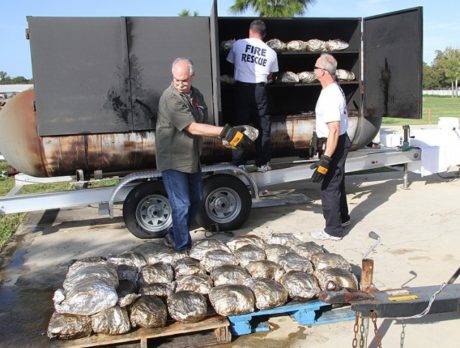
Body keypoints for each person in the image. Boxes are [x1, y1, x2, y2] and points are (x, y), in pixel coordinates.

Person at [156, 57, 256, 251]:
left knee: (196, 200)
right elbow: (192, 127)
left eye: (184, 80)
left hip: (191, 158)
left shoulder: (197, 96)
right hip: (172, 159)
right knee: (182, 204)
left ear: (193, 76)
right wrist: (224, 132)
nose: (180, 84)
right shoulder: (169, 98)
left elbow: (203, 123)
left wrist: (226, 139)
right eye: (177, 80)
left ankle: (174, 234)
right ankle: (183, 248)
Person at [226, 19, 278, 172]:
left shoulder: (238, 44)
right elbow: (270, 75)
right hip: (260, 91)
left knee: (240, 126)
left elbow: (231, 62)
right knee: (263, 126)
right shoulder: (271, 52)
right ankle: (262, 163)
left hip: (241, 88)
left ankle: (239, 163)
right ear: (264, 35)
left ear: (250, 30)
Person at [309, 53, 351, 241]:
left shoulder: (330, 95)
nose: (314, 70)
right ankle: (343, 218)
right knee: (338, 180)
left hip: (334, 142)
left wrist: (326, 158)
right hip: (338, 140)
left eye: (316, 67)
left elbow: (333, 129)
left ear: (324, 72)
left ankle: (333, 230)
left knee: (329, 186)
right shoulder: (332, 89)